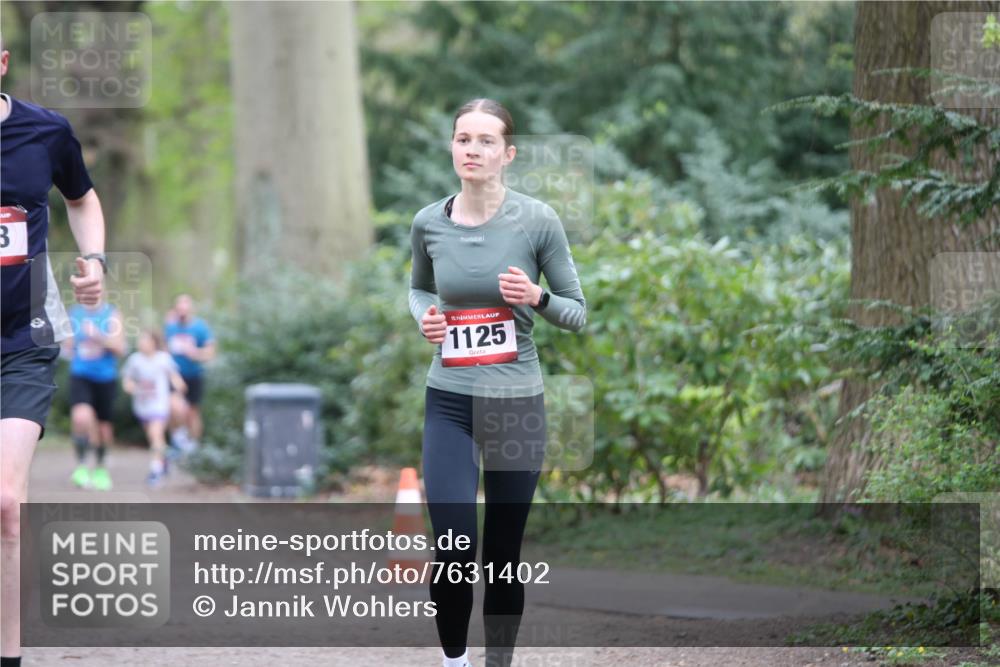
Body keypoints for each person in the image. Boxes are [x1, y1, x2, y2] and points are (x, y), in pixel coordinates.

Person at [408, 98, 586, 667]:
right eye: (464, 138)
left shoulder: (537, 220)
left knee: (503, 555)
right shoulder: (429, 222)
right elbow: (418, 289)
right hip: (450, 404)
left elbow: (577, 312)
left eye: (486, 141)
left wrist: (537, 297)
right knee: (456, 546)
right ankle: (454, 661)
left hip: (517, 405)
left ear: (507, 154)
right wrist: (424, 317)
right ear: (452, 148)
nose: (473, 150)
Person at [0, 40, 107, 667]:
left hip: (24, 338)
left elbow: (82, 198)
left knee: (6, 504)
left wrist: (91, 261)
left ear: (3, 62)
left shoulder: (46, 132)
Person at [63, 301, 126, 490]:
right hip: (80, 374)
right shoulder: (74, 313)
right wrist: (69, 345)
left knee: (104, 428)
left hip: (106, 377)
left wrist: (97, 336)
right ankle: (81, 466)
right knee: (81, 417)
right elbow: (67, 346)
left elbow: (120, 348)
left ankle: (100, 469)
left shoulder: (112, 314)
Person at [121, 330, 186, 487]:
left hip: (159, 405)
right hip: (142, 407)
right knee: (154, 439)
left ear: (154, 343)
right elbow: (127, 382)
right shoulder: (134, 360)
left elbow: (175, 378)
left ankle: (155, 471)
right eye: (141, 339)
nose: (141, 343)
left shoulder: (163, 359)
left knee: (155, 433)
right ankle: (165, 461)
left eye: (145, 340)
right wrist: (132, 388)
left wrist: (178, 388)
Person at [163, 294, 214, 450]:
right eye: (179, 308)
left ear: (191, 309)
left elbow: (210, 352)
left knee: (192, 412)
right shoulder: (170, 327)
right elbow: (163, 350)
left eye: (185, 308)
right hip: (175, 375)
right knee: (174, 407)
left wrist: (196, 353)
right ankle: (177, 439)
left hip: (194, 375)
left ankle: (194, 446)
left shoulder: (200, 327)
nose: (182, 312)